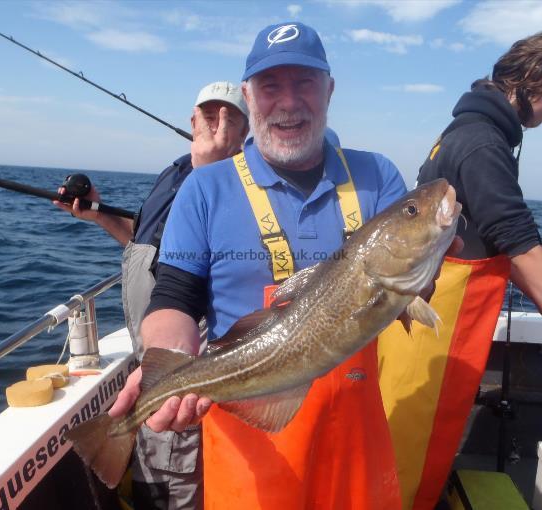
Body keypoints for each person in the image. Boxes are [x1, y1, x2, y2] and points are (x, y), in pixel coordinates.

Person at [108, 20, 457, 510]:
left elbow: (411, 288)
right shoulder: (204, 189)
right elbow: (174, 298)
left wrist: (433, 254)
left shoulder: (377, 175)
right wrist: (167, 366)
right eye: (271, 86)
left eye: (305, 83)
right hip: (253, 447)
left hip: (357, 444)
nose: (288, 102)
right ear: (249, 97)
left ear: (329, 90)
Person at [377, 29, 542, 510]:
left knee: (409, 456)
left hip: (433, 330)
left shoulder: (465, 132)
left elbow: (499, 238)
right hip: (436, 334)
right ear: (529, 75)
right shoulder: (482, 143)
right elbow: (519, 242)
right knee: (404, 464)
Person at [55, 82, 249, 509]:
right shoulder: (174, 174)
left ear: (245, 135)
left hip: (187, 372)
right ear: (191, 121)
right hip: (148, 365)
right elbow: (145, 250)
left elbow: (212, 276)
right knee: (148, 481)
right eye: (208, 114)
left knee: (172, 487)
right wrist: (98, 215)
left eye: (230, 118)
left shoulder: (242, 190)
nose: (217, 125)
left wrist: (212, 172)